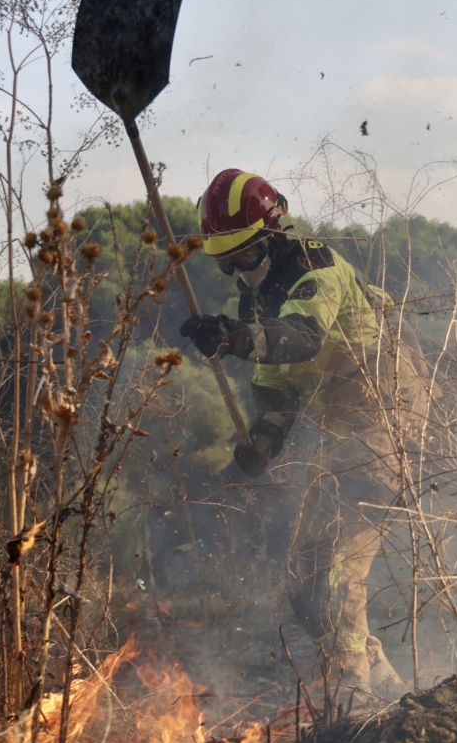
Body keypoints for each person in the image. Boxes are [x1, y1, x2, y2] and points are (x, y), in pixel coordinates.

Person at [179, 168, 429, 705]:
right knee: (304, 581)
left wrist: (232, 336)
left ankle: (355, 697)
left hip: (387, 421)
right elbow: (277, 397)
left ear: (273, 236)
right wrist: (248, 460)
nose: (240, 273)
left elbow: (299, 339)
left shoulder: (317, 268)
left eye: (245, 257)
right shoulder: (257, 304)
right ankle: (388, 689)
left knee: (332, 571)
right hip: (346, 438)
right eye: (227, 264)